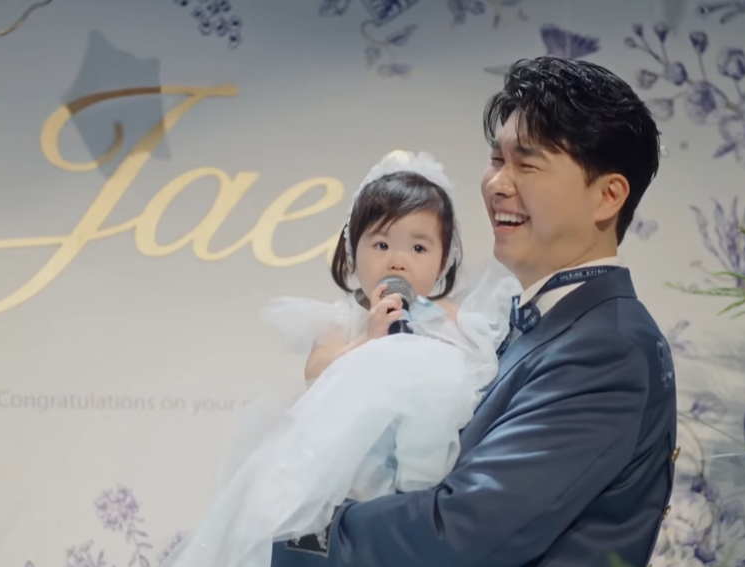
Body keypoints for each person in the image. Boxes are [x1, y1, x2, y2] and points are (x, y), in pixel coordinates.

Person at [269, 56, 677, 567]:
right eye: (497, 159)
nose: (498, 184)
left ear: (607, 196)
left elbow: (462, 531)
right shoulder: (539, 325)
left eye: (527, 164)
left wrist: (300, 535)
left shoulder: (606, 348)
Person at [164, 150, 521, 567]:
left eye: (418, 247)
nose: (398, 259)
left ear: (443, 262)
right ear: (352, 252)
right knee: (319, 546)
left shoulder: (450, 318)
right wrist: (368, 340)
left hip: (426, 465)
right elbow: (316, 372)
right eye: (381, 244)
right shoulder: (343, 320)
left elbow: (476, 372)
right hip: (349, 472)